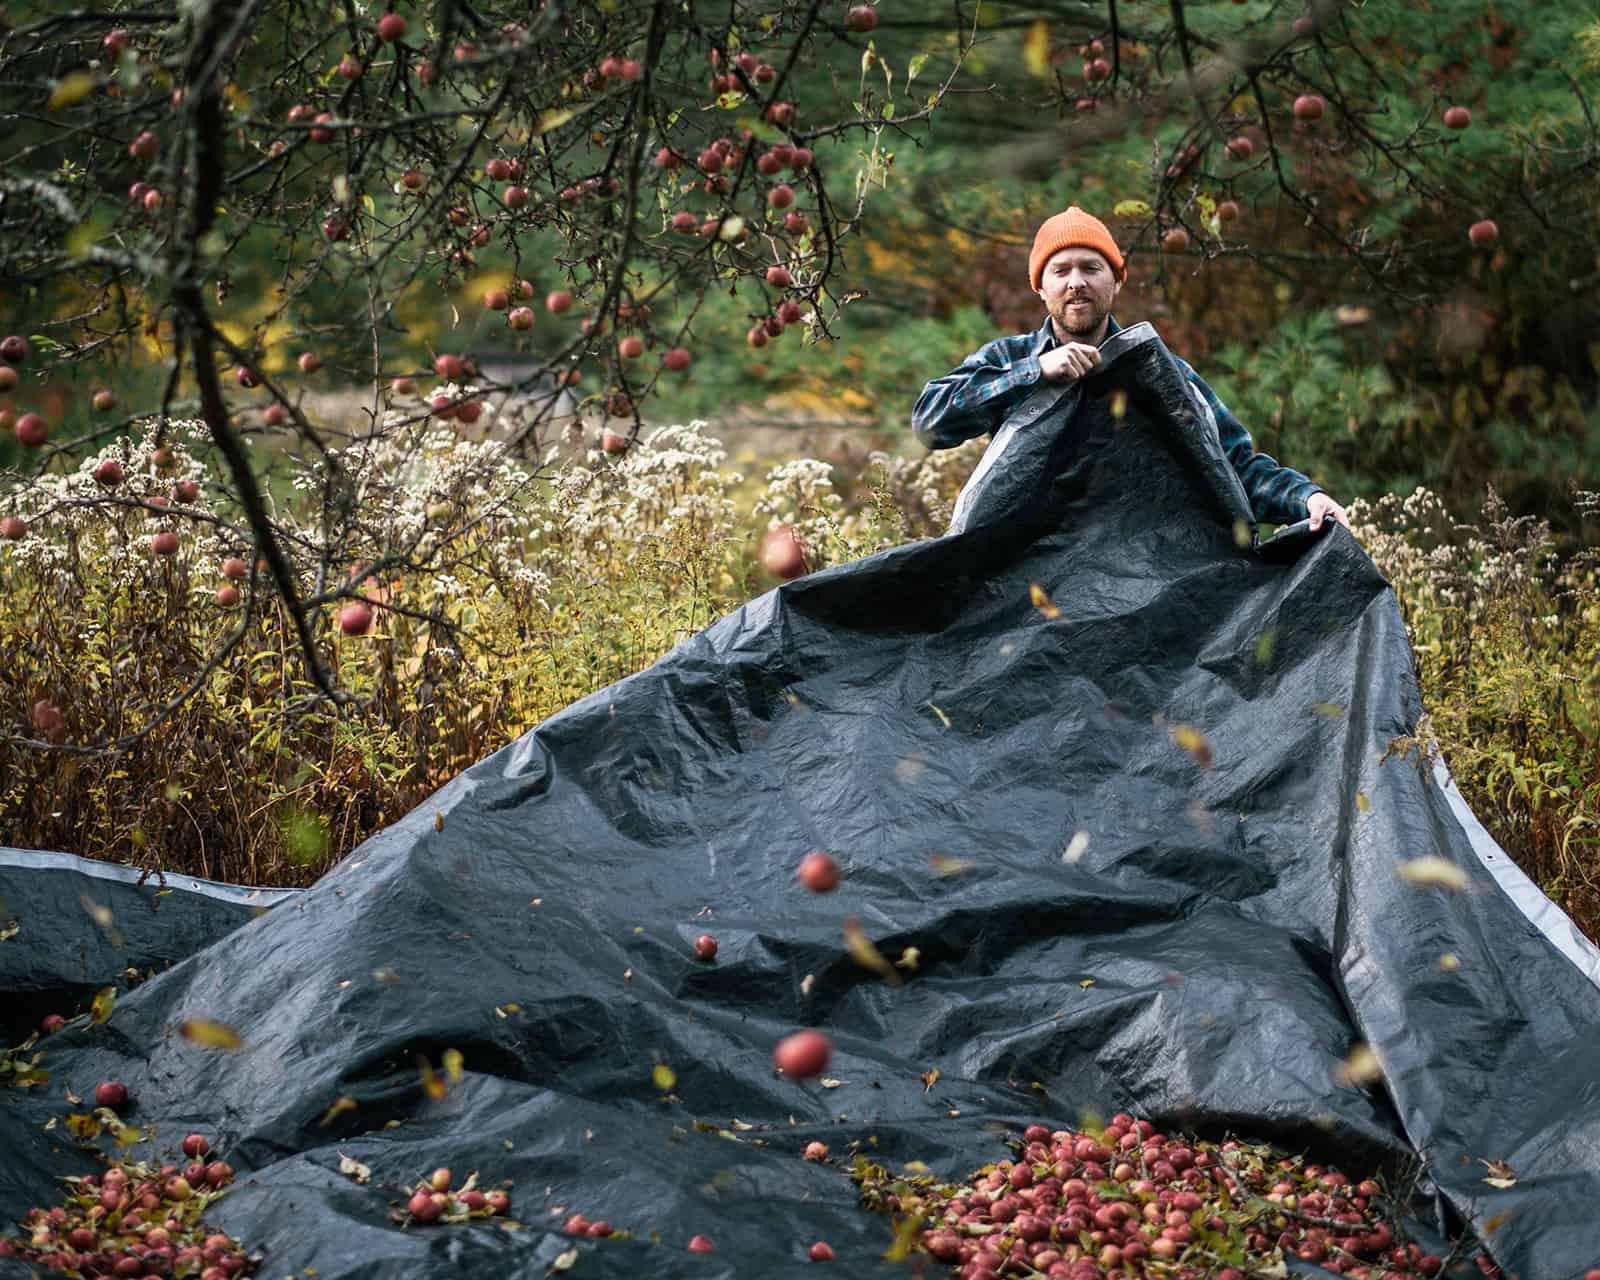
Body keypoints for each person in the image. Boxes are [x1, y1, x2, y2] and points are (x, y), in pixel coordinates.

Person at [913, 206, 1351, 532]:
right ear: (1040, 288)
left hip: (1137, 588)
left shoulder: (1163, 374)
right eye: (1060, 270)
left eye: (1091, 268)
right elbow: (930, 422)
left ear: (1117, 281)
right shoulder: (1009, 360)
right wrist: (1035, 373)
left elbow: (1232, 465)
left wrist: (1305, 497)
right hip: (1024, 579)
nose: (1076, 282)